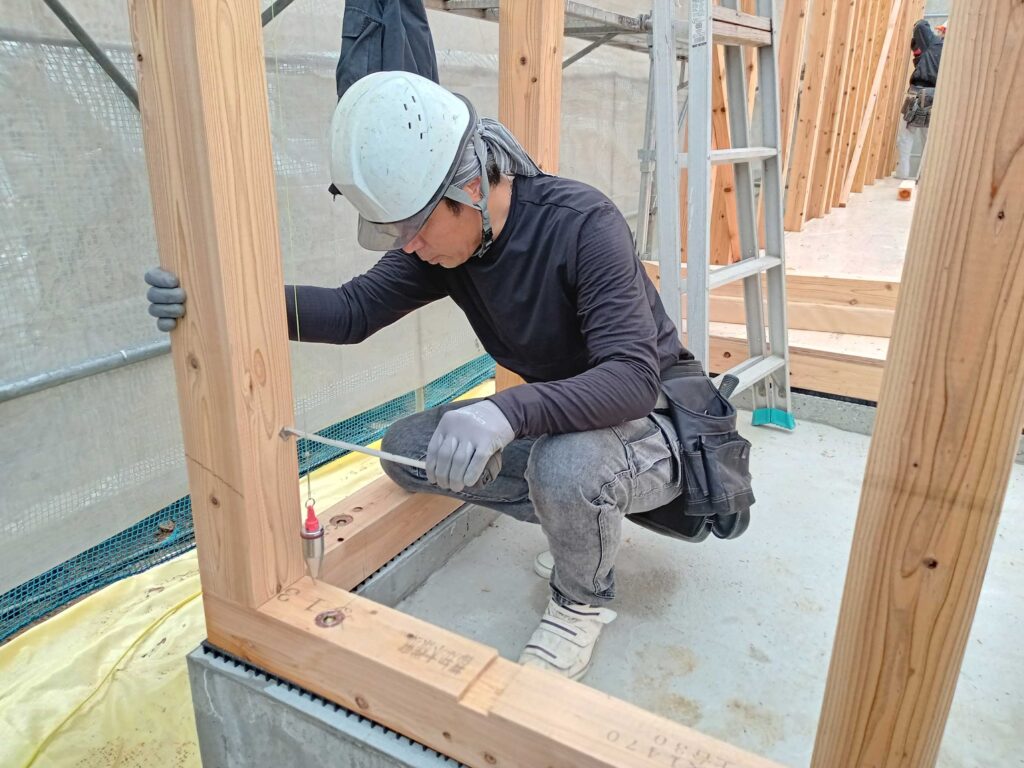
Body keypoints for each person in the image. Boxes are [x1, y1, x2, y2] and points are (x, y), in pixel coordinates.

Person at [146, 72, 733, 682]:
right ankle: (579, 527)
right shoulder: (446, 244)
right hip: (569, 423)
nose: (408, 246)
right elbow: (351, 312)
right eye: (396, 231)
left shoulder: (583, 223)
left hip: (655, 424)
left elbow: (631, 379)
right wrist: (223, 304)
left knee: (567, 468)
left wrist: (505, 411)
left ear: (471, 188)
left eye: (416, 227)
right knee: (409, 452)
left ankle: (580, 597)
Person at [896, 19, 943, 180]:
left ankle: (902, 174)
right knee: (928, 139)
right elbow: (926, 64)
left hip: (918, 93)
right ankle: (923, 178)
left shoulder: (935, 43)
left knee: (906, 136)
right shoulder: (954, 52)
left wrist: (916, 24)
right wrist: (917, 52)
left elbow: (921, 26)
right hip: (935, 96)